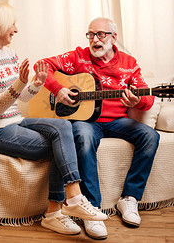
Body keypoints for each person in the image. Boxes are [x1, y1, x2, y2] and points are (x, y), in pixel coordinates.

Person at [0, 3, 107, 236]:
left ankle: (65, 205)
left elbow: (19, 98)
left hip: (13, 120)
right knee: (60, 147)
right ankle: (60, 208)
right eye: (12, 24)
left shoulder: (10, 54)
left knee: (63, 126)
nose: (16, 29)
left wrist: (36, 84)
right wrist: (20, 83)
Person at [36, 17, 160, 240]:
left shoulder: (129, 63)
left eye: (101, 34)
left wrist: (137, 102)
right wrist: (57, 89)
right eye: (91, 34)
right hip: (86, 122)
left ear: (114, 38)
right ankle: (92, 208)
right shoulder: (77, 57)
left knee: (150, 135)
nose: (95, 39)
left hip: (116, 121)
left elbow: (147, 99)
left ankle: (129, 198)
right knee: (82, 136)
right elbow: (41, 66)